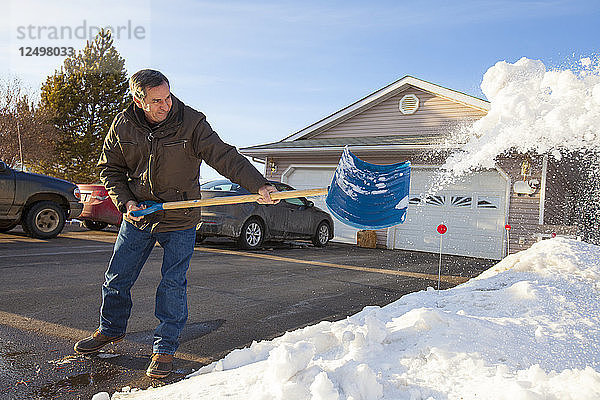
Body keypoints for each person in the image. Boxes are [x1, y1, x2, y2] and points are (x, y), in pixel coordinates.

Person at [74, 69, 278, 378]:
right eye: (157, 100)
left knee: (172, 284)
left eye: (168, 97)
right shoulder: (122, 125)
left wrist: (258, 185)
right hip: (140, 214)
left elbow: (225, 157)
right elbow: (110, 170)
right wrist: (127, 202)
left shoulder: (191, 122)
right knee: (117, 277)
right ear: (137, 99)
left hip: (180, 217)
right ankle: (110, 330)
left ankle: (164, 348)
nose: (166, 105)